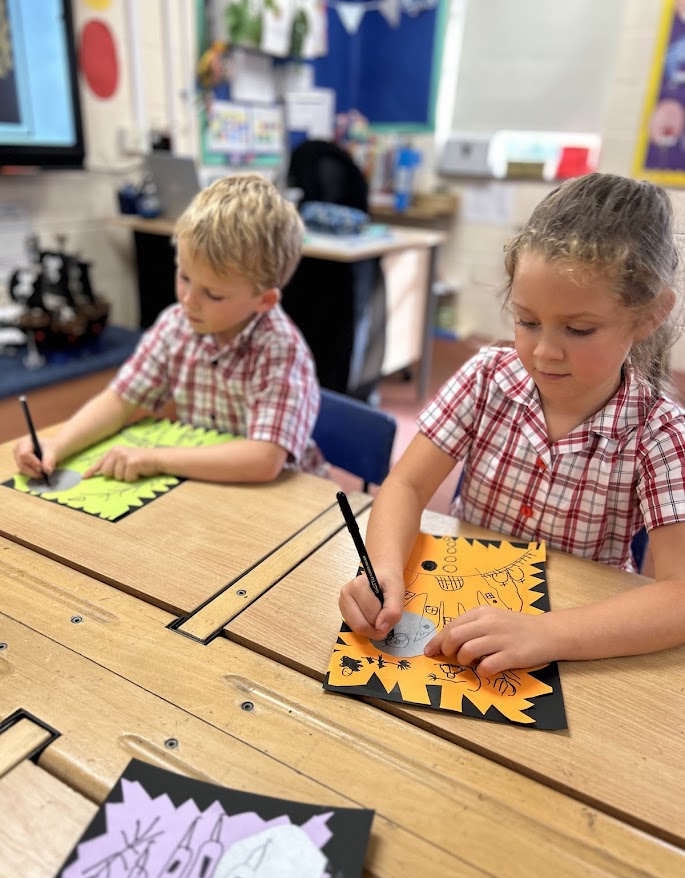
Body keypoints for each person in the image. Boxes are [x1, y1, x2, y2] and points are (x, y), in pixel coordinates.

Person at [339, 172, 685, 673]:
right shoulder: (487, 378)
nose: (544, 351)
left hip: (578, 638)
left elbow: (677, 596)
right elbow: (408, 485)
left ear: (650, 315)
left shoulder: (662, 434)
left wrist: (549, 632)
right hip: (455, 606)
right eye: (526, 321)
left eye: (579, 328)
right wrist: (383, 569)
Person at [14, 173, 326, 484]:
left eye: (213, 294)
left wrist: (156, 458)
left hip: (286, 503)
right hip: (211, 487)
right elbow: (120, 401)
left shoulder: (279, 348)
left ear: (264, 300)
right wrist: (58, 443)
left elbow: (264, 459)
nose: (189, 301)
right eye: (184, 277)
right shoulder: (176, 325)